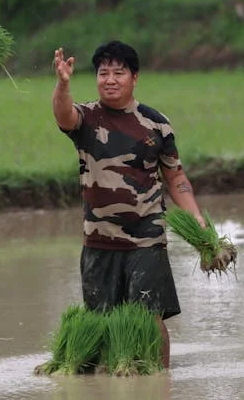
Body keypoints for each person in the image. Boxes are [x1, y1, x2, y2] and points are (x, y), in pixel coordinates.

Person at [51, 40, 206, 369]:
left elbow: (175, 177)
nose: (109, 79)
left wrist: (195, 216)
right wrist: (63, 83)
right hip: (98, 238)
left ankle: (161, 382)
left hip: (146, 237)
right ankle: (114, 390)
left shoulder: (156, 124)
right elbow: (63, 115)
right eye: (102, 73)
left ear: (134, 77)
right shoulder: (87, 118)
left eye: (118, 72)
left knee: (149, 316)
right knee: (101, 324)